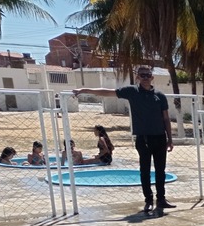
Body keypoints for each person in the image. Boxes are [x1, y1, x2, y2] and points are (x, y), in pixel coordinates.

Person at [73, 65, 176, 216]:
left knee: (161, 170)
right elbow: (107, 92)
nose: (146, 78)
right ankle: (149, 199)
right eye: (142, 75)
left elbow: (166, 118)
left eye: (148, 75)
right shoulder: (132, 92)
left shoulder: (160, 96)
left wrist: (170, 139)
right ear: (138, 77)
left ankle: (161, 199)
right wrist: (84, 90)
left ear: (152, 77)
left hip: (160, 138)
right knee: (145, 170)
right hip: (143, 139)